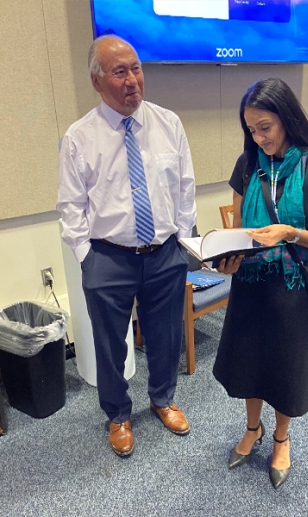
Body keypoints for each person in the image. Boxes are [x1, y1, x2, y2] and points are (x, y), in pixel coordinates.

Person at [57, 35, 196, 457]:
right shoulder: (80, 137)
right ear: (98, 82)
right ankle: (117, 414)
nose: (133, 80)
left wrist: (183, 241)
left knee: (167, 335)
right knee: (110, 345)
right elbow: (70, 206)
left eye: (136, 68)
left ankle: (162, 398)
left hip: (164, 254)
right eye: (120, 72)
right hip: (108, 258)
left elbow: (185, 187)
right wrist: (87, 257)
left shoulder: (168, 123)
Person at [213, 78, 308, 488]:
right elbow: (237, 232)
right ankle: (252, 429)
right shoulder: (248, 163)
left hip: (292, 287)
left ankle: (281, 437)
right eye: (251, 129)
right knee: (249, 361)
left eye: (265, 127)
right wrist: (227, 263)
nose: (258, 137)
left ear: (287, 118)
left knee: (285, 367)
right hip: (250, 284)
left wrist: (290, 232)